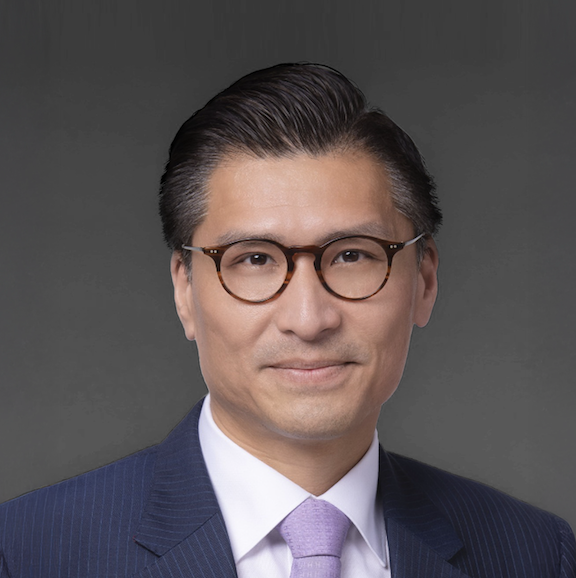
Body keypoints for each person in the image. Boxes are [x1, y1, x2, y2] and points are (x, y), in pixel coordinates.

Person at [0, 63, 574, 578]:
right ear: (185, 290)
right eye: (254, 259)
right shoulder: (26, 553)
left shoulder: (535, 555)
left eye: (352, 255)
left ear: (424, 281)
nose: (309, 319)